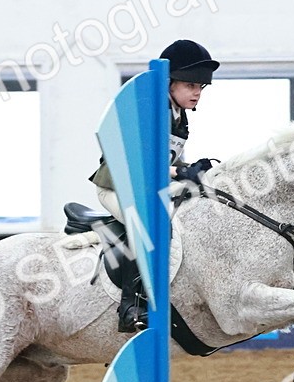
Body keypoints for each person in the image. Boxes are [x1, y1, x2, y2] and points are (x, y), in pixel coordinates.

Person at [89, 39, 220, 332]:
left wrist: (191, 170)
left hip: (145, 186)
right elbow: (140, 162)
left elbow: (166, 159)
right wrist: (177, 172)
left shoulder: (178, 114)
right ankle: (131, 306)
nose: (197, 92)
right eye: (190, 85)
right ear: (170, 82)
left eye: (201, 87)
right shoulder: (150, 109)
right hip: (117, 187)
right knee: (148, 224)